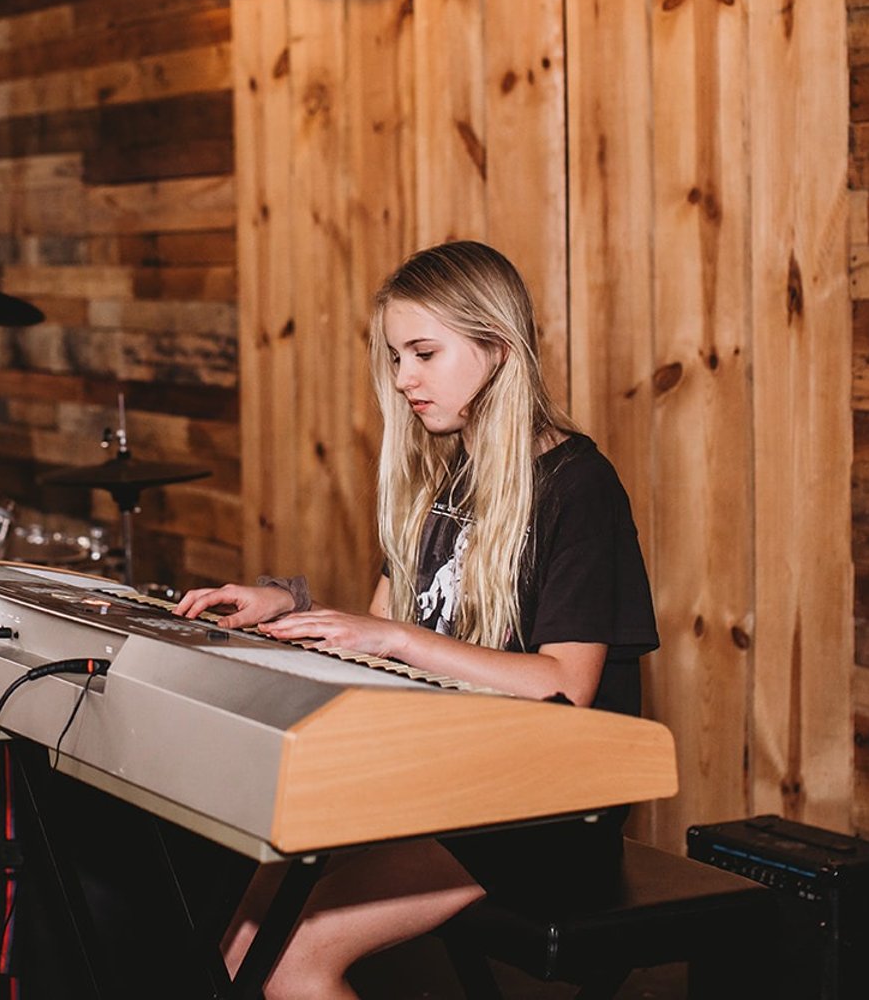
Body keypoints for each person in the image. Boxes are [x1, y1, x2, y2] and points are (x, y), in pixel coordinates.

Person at [173, 239, 659, 1000]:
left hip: (543, 807)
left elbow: (567, 683)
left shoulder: (579, 488)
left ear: (496, 348)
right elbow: (387, 630)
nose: (403, 380)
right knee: (244, 927)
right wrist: (291, 609)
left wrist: (393, 637)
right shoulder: (457, 479)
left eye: (423, 353)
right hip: (454, 780)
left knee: (292, 959)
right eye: (398, 358)